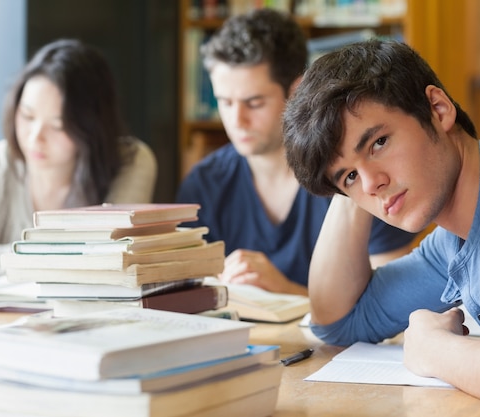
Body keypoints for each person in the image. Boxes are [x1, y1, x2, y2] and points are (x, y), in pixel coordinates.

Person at [282, 38, 480, 416]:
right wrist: (355, 183)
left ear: (438, 109)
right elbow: (340, 322)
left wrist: (433, 350)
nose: (371, 183)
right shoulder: (453, 243)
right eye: (347, 178)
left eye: (378, 142)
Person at [175, 9, 416, 296]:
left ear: (296, 92)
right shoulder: (203, 184)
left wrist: (284, 292)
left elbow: (390, 308)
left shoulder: (354, 177)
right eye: (225, 102)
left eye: (253, 103)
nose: (237, 120)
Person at [0, 39, 157, 281]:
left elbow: (112, 259)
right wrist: (27, 257)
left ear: (91, 129)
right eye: (27, 116)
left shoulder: (131, 161)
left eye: (58, 126)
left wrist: (15, 260)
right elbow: (81, 260)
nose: (35, 138)